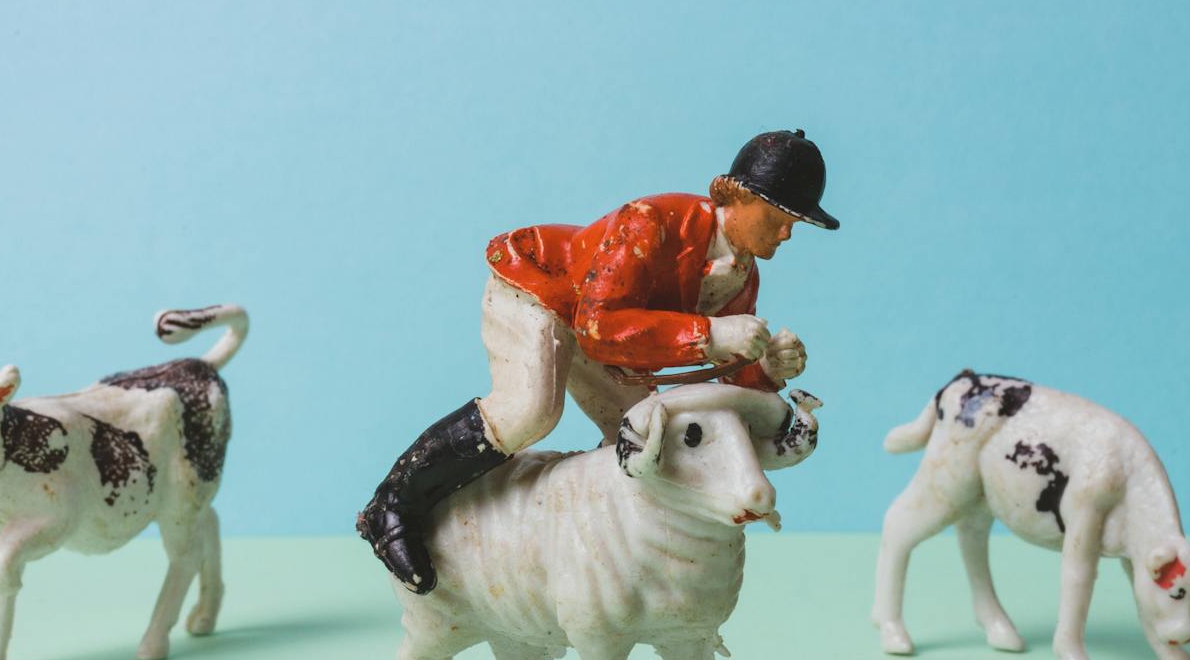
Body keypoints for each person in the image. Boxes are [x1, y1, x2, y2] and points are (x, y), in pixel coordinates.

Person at [357, 129, 838, 592]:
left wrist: (765, 371)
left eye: (794, 224)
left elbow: (714, 386)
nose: (786, 234)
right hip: (541, 290)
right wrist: (709, 333)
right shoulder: (651, 219)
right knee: (532, 411)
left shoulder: (742, 278)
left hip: (602, 332)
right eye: (779, 217)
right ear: (736, 196)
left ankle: (599, 556)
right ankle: (394, 503)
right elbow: (599, 324)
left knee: (640, 433)